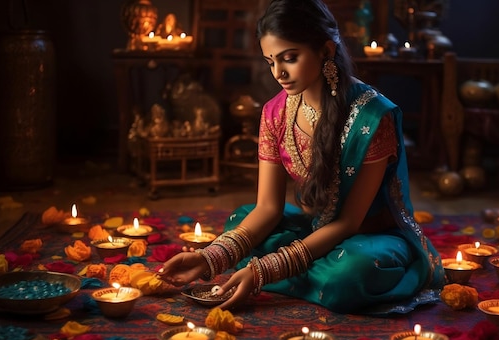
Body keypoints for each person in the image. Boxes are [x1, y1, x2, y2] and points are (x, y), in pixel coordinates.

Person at [159, 0, 444, 315]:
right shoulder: (275, 113)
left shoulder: (373, 117)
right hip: (313, 229)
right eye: (270, 61)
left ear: (325, 50)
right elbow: (268, 207)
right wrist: (208, 259)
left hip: (367, 238)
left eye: (289, 58)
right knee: (240, 221)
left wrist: (262, 271)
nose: (279, 73)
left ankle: (286, 275)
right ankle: (295, 273)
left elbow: (349, 222)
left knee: (350, 275)